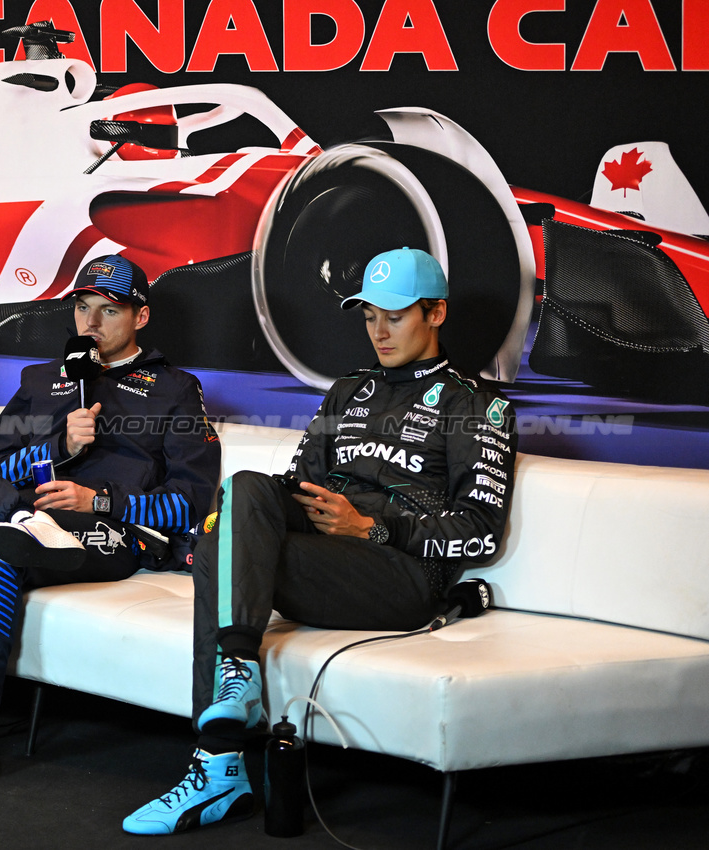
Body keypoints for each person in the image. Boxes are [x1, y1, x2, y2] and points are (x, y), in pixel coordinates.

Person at [123, 247, 518, 834]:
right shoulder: (346, 392)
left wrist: (373, 527)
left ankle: (218, 767)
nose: (378, 332)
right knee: (246, 493)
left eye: (395, 315)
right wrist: (260, 512)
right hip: (324, 557)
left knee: (216, 551)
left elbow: (479, 534)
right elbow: (292, 487)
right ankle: (236, 682)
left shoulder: (475, 405)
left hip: (398, 577)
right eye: (367, 317)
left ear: (436, 313)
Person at [0, 254, 222, 795]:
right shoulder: (41, 380)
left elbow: (191, 504)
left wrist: (101, 502)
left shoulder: (176, 389)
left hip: (105, 533)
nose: (90, 323)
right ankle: (21, 520)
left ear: (140, 317)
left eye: (108, 311)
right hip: (23, 514)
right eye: (82, 307)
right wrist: (56, 448)